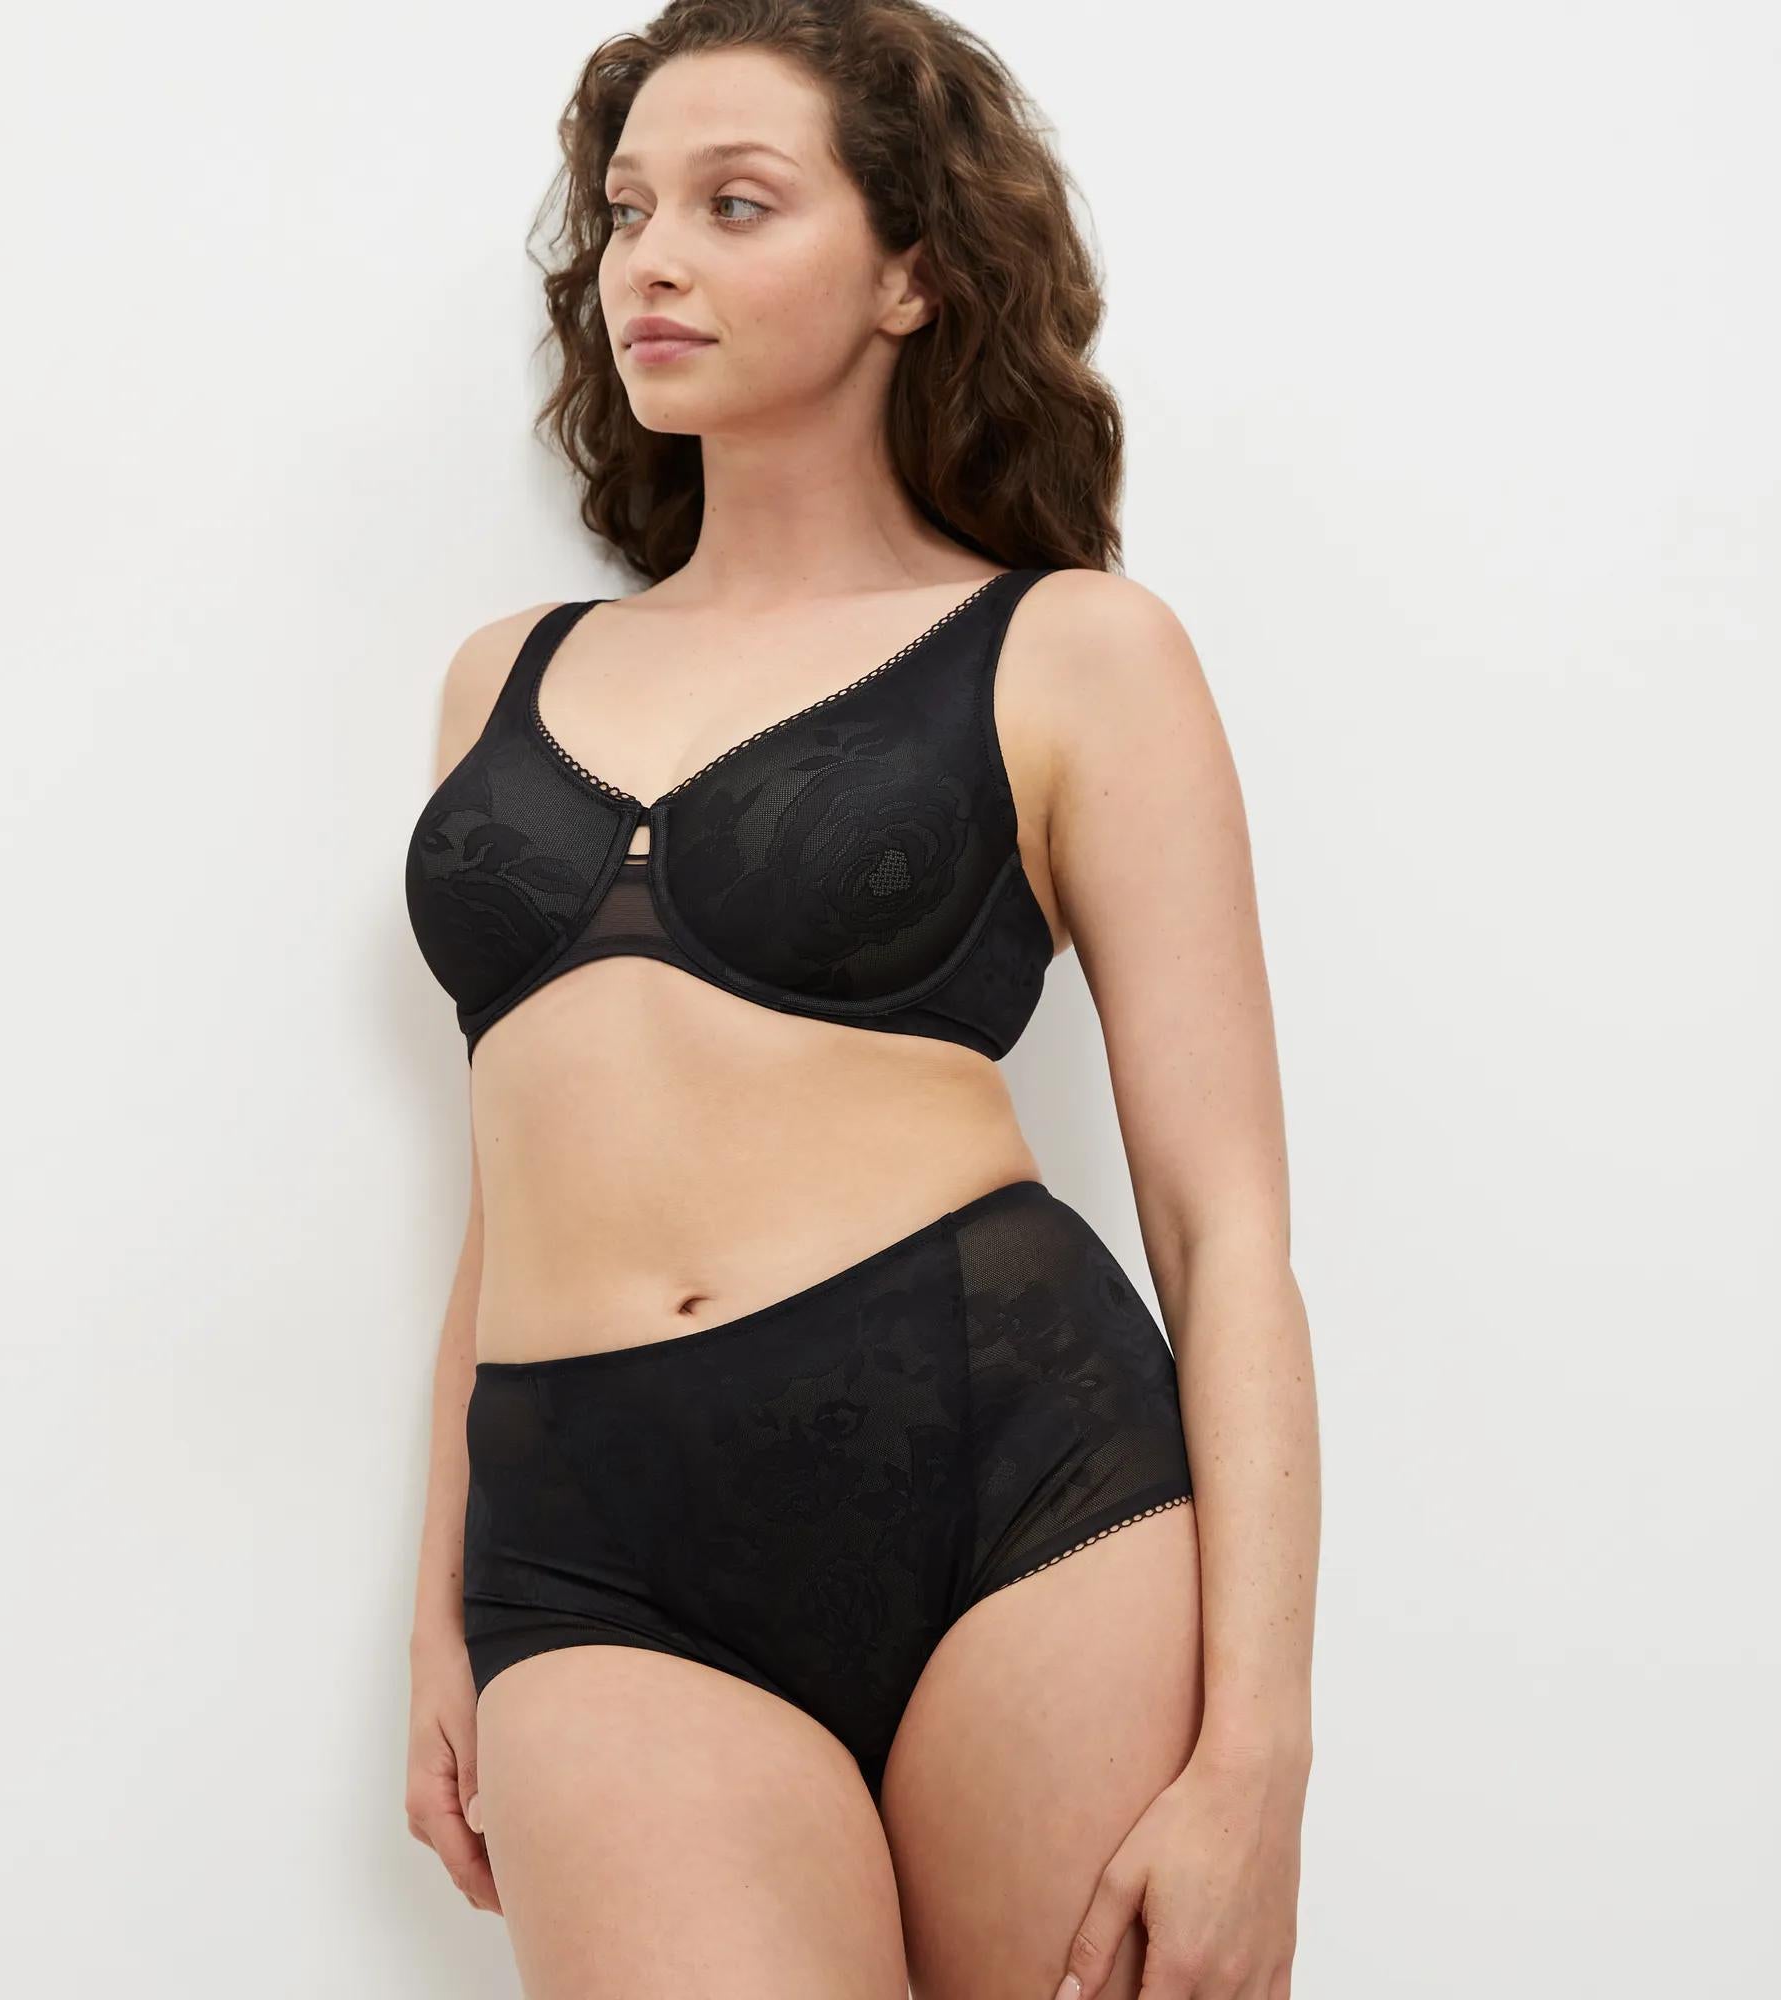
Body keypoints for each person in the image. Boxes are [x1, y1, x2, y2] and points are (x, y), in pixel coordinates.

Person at [401, 6, 1318, 1995]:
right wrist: (438, 1615)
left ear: (912, 269)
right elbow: (513, 1164)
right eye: (626, 210)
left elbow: (1223, 1222)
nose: (651, 260)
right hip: (593, 1534)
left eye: (737, 205)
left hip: (1018, 1483)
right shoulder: (504, 677)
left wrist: (1259, 1760)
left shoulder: (1074, 651)